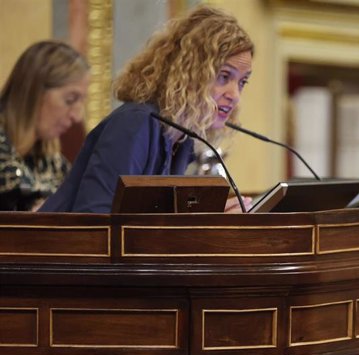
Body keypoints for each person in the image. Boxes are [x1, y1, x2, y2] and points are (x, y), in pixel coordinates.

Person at [40, 5, 253, 214]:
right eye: (224, 76)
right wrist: (203, 228)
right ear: (190, 72)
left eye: (242, 82)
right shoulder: (134, 124)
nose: (235, 95)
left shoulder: (181, 139)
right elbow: (94, 220)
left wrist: (209, 220)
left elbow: (156, 220)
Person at [0, 40, 89, 211]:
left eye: (81, 101)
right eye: (70, 100)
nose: (77, 116)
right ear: (35, 93)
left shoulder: (50, 157)